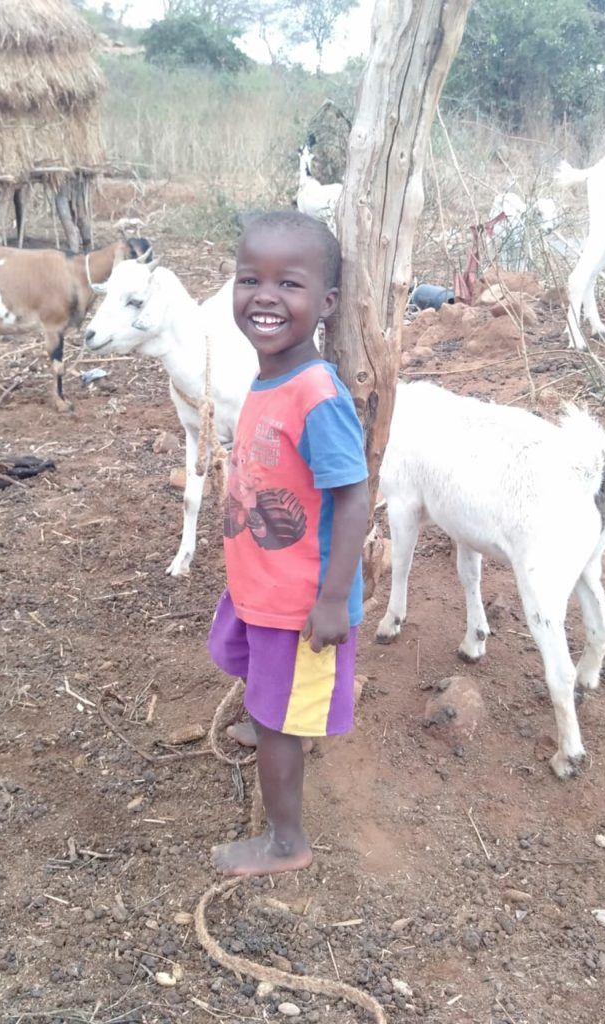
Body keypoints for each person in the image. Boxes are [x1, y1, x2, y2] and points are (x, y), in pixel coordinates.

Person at [208, 210, 369, 877]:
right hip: (260, 583)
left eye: (290, 285)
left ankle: (284, 842)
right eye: (251, 279)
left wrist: (332, 602)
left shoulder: (317, 394)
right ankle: (266, 715)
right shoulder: (270, 374)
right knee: (252, 675)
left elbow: (355, 497)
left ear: (327, 303)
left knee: (280, 723)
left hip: (301, 603)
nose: (266, 297)